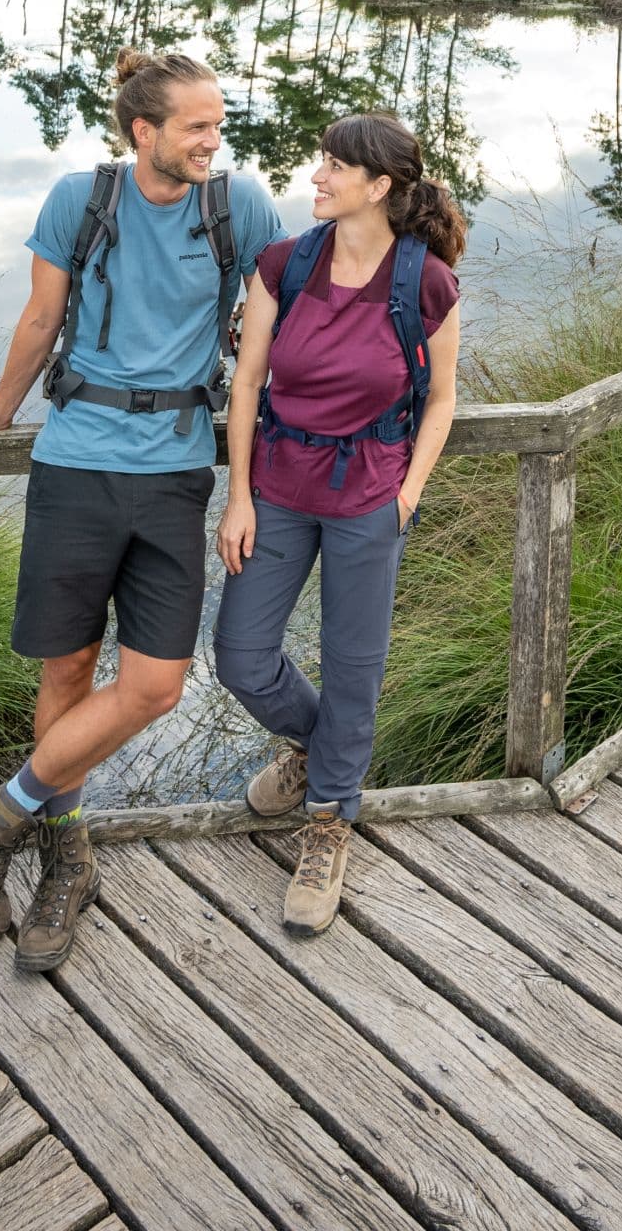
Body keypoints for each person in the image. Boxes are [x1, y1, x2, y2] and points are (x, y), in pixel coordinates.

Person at [0, 48, 284, 972]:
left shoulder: (238, 207)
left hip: (174, 474)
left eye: (218, 122)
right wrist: (0, 414)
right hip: (74, 460)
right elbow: (39, 319)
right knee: (67, 673)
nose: (215, 140)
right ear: (144, 132)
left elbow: (269, 335)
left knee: (155, 685)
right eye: (197, 126)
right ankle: (66, 860)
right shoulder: (78, 200)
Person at [214, 112, 464, 936]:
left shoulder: (425, 282)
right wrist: (240, 496)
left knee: (356, 665)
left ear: (380, 187)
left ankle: (329, 819)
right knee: (242, 656)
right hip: (280, 489)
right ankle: (324, 756)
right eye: (319, 162)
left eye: (333, 167)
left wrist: (409, 492)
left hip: (370, 499)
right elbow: (247, 383)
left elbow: (442, 399)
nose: (316, 177)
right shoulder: (285, 264)